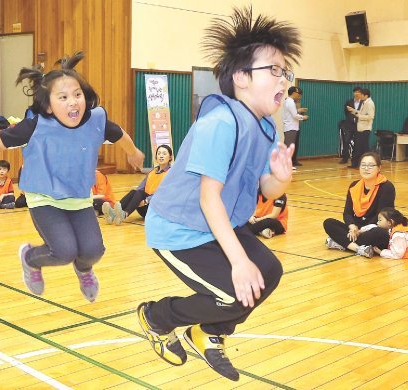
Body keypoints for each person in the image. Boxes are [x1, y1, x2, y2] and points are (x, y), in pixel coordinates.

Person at [136, 6, 300, 381]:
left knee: (268, 272)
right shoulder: (220, 123)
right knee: (233, 289)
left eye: (286, 71)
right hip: (180, 229)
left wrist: (281, 178)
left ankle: (209, 332)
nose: (283, 80)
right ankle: (157, 317)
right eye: (273, 70)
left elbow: (266, 189)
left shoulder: (267, 129)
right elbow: (209, 198)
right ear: (241, 77)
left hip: (217, 224)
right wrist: (239, 261)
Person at [0, 52, 144, 302]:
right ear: (49, 105)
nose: (73, 102)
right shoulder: (36, 126)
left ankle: (84, 270)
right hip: (44, 197)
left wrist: (134, 153)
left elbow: (119, 134)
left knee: (93, 251)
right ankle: (30, 259)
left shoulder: (95, 120)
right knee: (63, 251)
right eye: (63, 97)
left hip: (78, 197)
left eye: (77, 94)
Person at [323, 152, 395, 258]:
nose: (366, 168)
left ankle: (342, 243)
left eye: (371, 165)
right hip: (356, 229)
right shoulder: (354, 186)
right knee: (329, 223)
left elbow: (382, 217)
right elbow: (347, 213)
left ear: (379, 168)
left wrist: (360, 231)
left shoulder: (387, 187)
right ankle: (359, 249)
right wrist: (352, 227)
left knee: (380, 233)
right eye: (363, 165)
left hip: (374, 229)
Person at [102, 144, 172, 225]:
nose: (161, 156)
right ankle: (114, 213)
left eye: (164, 153)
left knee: (139, 193)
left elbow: (164, 193)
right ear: (156, 157)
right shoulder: (152, 172)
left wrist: (146, 201)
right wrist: (136, 199)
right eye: (159, 153)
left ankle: (124, 214)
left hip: (158, 209)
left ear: (170, 157)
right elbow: (140, 189)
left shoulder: (171, 173)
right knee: (134, 192)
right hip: (144, 208)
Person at [347, 88, 374, 168]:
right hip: (361, 128)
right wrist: (353, 111)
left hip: (365, 129)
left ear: (366, 95)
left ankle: (363, 164)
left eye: (361, 94)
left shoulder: (370, 104)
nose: (360, 96)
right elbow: (362, 113)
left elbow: (370, 117)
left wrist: (358, 115)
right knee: (359, 147)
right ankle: (356, 164)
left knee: (363, 148)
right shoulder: (365, 103)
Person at [282, 86, 308, 168]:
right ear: (294, 93)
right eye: (298, 94)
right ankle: (287, 164)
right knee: (289, 147)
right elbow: (294, 115)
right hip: (290, 127)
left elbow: (293, 112)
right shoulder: (290, 102)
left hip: (294, 127)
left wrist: (299, 110)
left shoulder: (290, 102)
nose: (299, 96)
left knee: (292, 146)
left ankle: (291, 162)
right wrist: (303, 117)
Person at [339, 86, 363, 164]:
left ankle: (356, 159)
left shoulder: (363, 103)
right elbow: (346, 112)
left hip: (359, 125)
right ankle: (345, 157)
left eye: (358, 92)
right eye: (355, 92)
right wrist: (350, 119)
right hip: (349, 125)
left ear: (361, 93)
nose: (356, 93)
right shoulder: (349, 102)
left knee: (357, 142)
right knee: (346, 141)